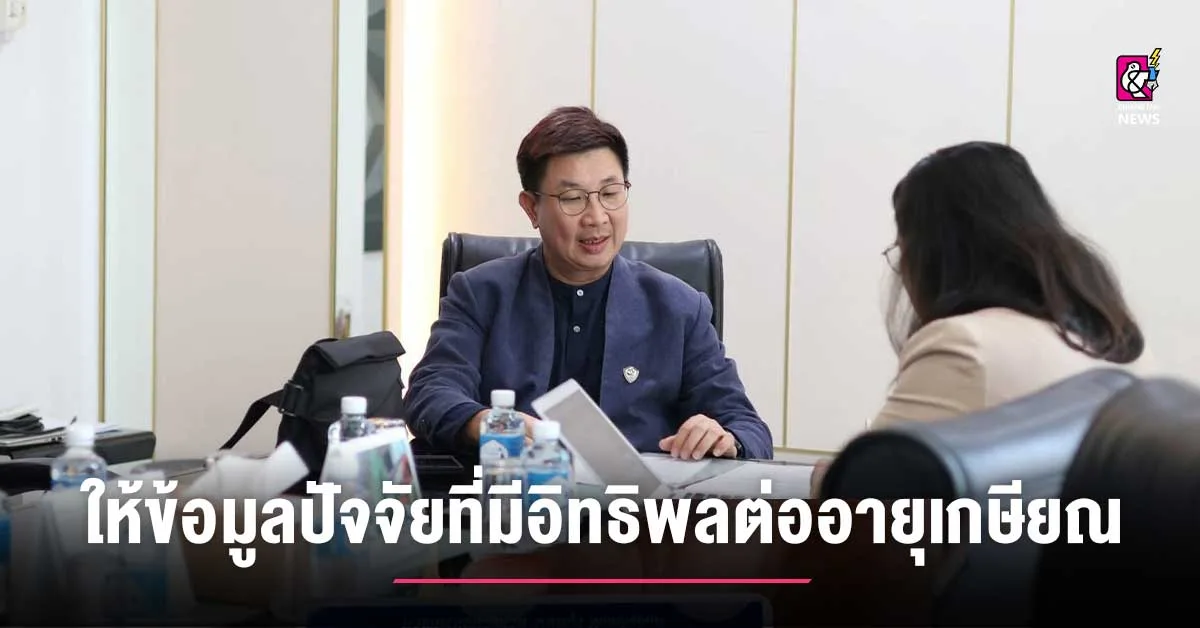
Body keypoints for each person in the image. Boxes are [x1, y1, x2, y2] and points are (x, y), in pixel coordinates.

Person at [404, 106, 773, 461]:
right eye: (573, 199)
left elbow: (749, 428)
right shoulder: (481, 293)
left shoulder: (679, 307)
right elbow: (429, 392)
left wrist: (725, 439)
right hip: (510, 495)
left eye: (610, 194)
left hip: (634, 504)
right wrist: (491, 424)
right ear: (531, 208)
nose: (597, 218)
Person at [812, 140, 1155, 494]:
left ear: (931, 256)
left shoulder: (964, 345)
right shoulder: (1119, 348)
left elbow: (864, 493)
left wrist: (822, 477)